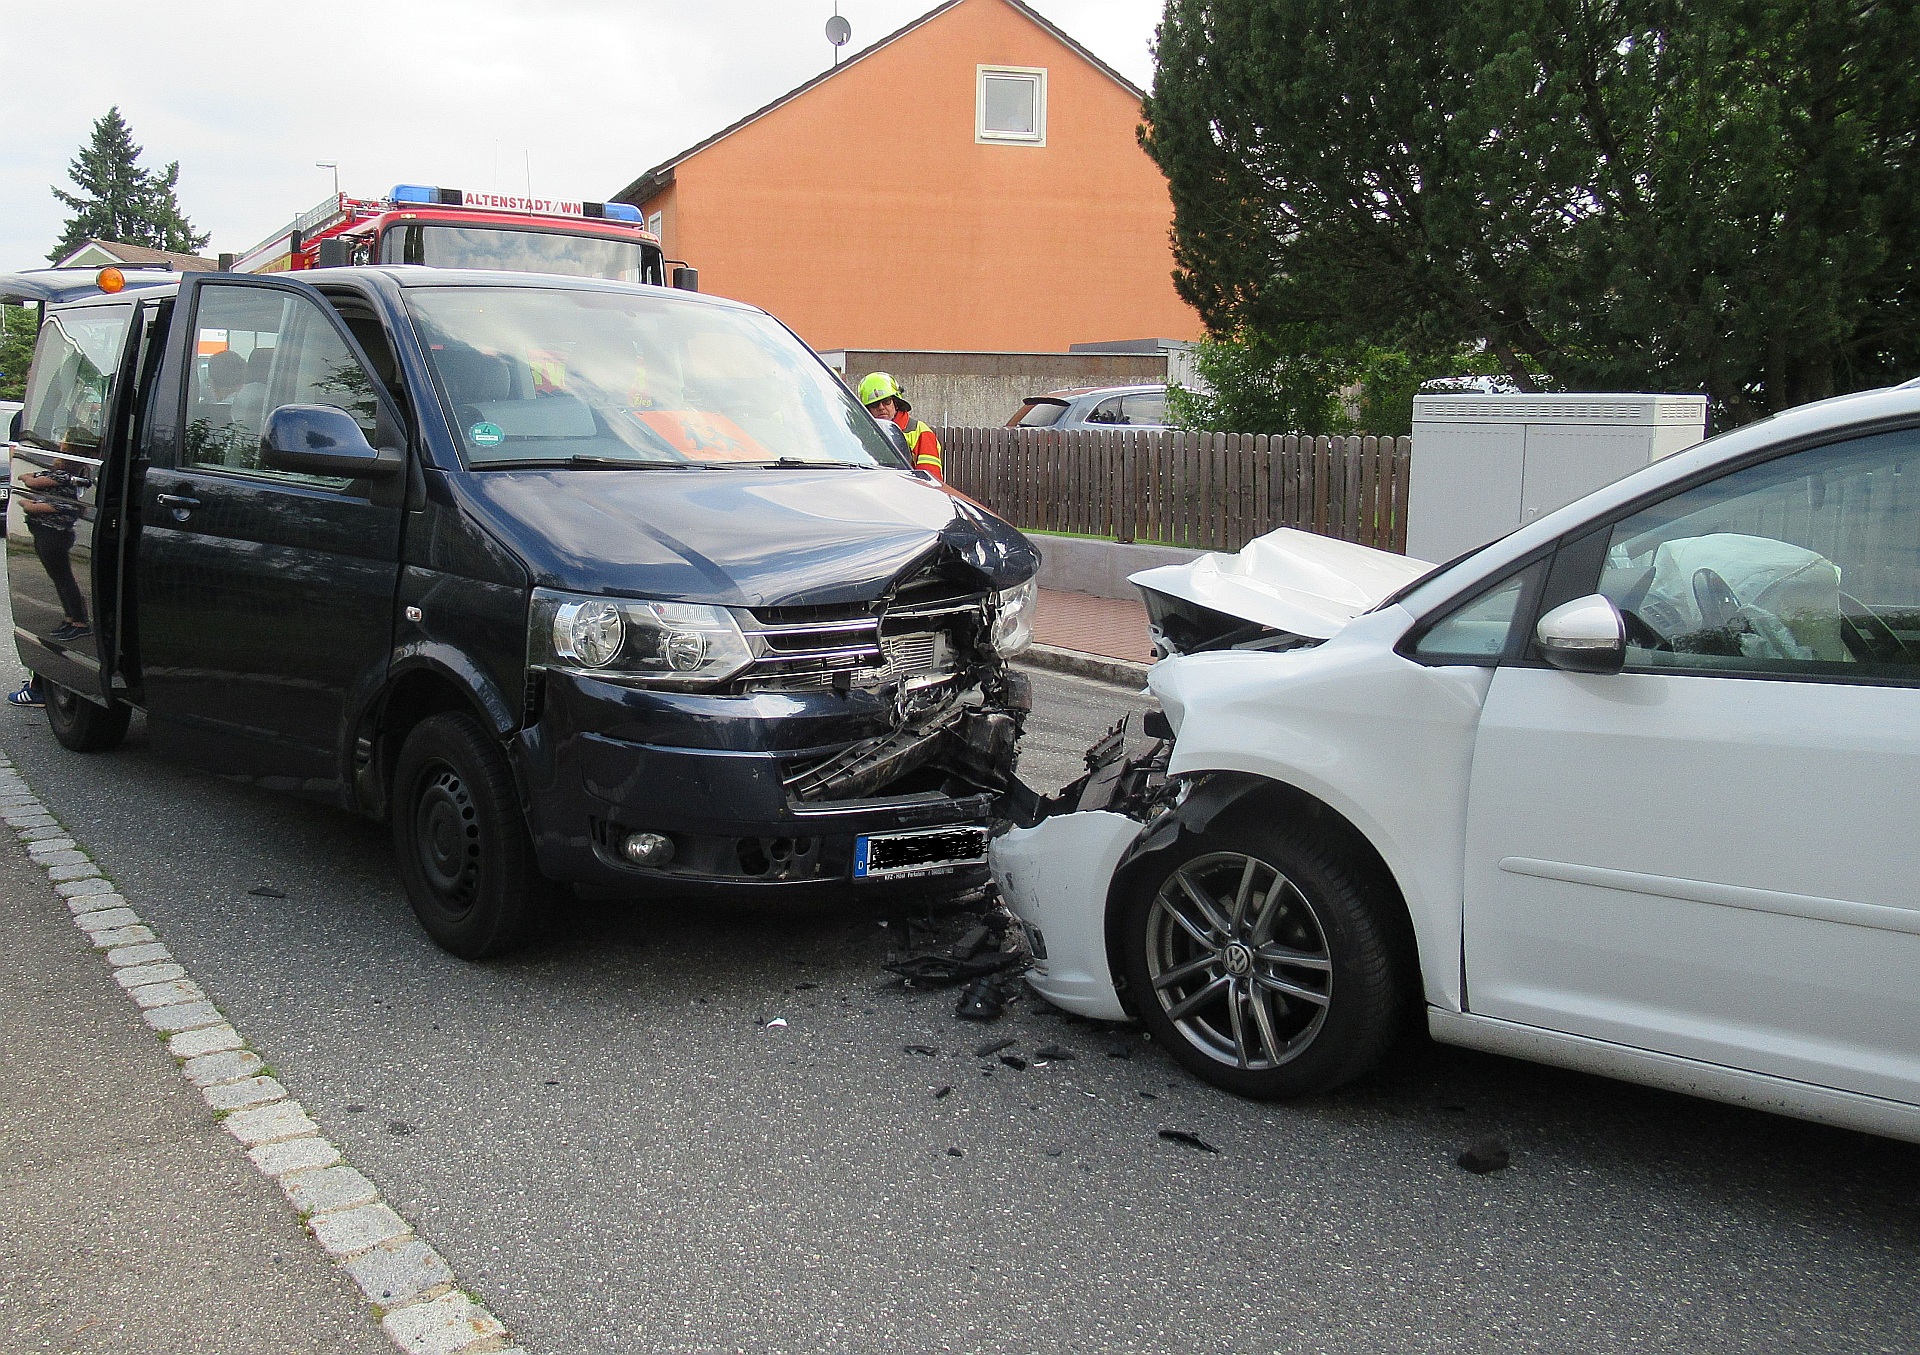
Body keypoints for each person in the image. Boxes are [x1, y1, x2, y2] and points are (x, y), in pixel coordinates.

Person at [856, 371, 914, 464]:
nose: (881, 407)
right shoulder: (859, 436)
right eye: (874, 404)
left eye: (886, 401)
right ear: (867, 409)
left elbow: (929, 475)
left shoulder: (919, 432)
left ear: (895, 402)